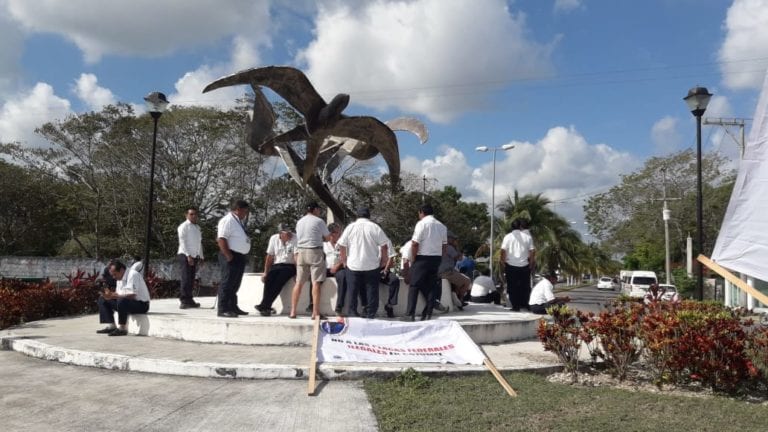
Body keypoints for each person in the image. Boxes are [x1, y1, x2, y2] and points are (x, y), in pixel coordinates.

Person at [337, 208, 389, 319]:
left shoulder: (350, 227)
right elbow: (384, 245)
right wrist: (384, 260)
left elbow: (342, 244)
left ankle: (352, 313)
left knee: (353, 291)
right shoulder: (375, 227)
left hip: (353, 264)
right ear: (369, 216)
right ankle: (370, 314)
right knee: (372, 291)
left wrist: (344, 259)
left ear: (357, 216)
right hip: (372, 264)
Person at [404, 204, 447, 321]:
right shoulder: (442, 226)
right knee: (432, 286)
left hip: (422, 258)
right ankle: (428, 314)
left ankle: (410, 314)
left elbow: (415, 243)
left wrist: (413, 259)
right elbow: (444, 246)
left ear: (422, 212)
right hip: (436, 259)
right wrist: (439, 258)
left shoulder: (421, 224)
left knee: (414, 285)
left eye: (419, 213)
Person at [290, 201, 331, 319]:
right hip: (315, 251)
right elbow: (328, 238)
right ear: (315, 209)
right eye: (318, 209)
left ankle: (293, 311)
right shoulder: (319, 221)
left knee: (299, 282)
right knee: (316, 282)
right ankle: (315, 312)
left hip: (301, 251)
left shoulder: (300, 221)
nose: (319, 211)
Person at [96, 260, 151, 336]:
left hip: (142, 305)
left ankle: (122, 328)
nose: (114, 277)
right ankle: (112, 326)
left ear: (121, 270)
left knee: (122, 300)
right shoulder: (119, 278)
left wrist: (114, 296)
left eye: (115, 274)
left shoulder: (133, 274)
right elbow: (118, 294)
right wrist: (108, 295)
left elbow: (132, 295)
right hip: (127, 303)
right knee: (102, 299)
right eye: (112, 275)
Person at [216, 200, 251, 318]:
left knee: (235, 283)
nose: (245, 214)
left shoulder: (238, 221)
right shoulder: (228, 220)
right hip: (230, 255)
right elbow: (221, 238)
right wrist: (228, 255)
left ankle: (232, 306)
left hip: (239, 256)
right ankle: (223, 308)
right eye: (245, 211)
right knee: (227, 282)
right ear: (238, 209)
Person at [256, 223, 297, 316]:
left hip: (289, 265)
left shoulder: (295, 238)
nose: (289, 234)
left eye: (290, 232)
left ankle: (265, 305)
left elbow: (296, 256)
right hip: (277, 264)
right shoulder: (274, 238)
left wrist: (298, 272)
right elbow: (270, 256)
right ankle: (265, 306)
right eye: (286, 232)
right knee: (269, 280)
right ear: (280, 233)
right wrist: (265, 272)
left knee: (279, 281)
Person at [500, 218, 536, 312]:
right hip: (524, 265)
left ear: (511, 227)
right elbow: (532, 251)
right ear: (520, 226)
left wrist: (502, 262)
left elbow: (503, 251)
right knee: (525, 286)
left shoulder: (507, 237)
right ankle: (525, 304)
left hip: (511, 265)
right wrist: (531, 263)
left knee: (512, 287)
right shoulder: (527, 237)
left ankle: (515, 306)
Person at [177, 207, 203, 309]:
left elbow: (199, 243)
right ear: (186, 215)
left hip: (194, 255)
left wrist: (201, 256)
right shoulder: (183, 226)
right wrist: (188, 255)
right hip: (185, 255)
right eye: (191, 214)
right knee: (186, 277)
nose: (193, 216)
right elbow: (182, 242)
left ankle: (189, 299)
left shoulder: (197, 228)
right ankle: (184, 300)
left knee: (191, 278)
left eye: (195, 214)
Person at [437, 232, 471, 309]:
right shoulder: (449, 247)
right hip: (447, 272)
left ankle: (455, 296)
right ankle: (460, 300)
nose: (454, 240)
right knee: (467, 281)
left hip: (441, 271)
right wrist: (457, 247)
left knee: (459, 280)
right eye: (453, 239)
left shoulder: (439, 246)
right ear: (448, 239)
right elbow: (459, 258)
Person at [325, 223, 350, 316]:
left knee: (343, 277)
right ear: (331, 234)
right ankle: (312, 305)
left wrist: (338, 265)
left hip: (338, 268)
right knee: (315, 277)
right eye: (338, 233)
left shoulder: (343, 245)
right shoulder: (324, 245)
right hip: (326, 269)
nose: (340, 235)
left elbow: (346, 257)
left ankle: (339, 307)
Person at [379, 237, 400, 318]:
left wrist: (385, 270)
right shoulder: (369, 241)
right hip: (371, 269)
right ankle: (367, 306)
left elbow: (391, 257)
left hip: (383, 268)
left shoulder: (387, 241)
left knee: (394, 280)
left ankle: (390, 305)